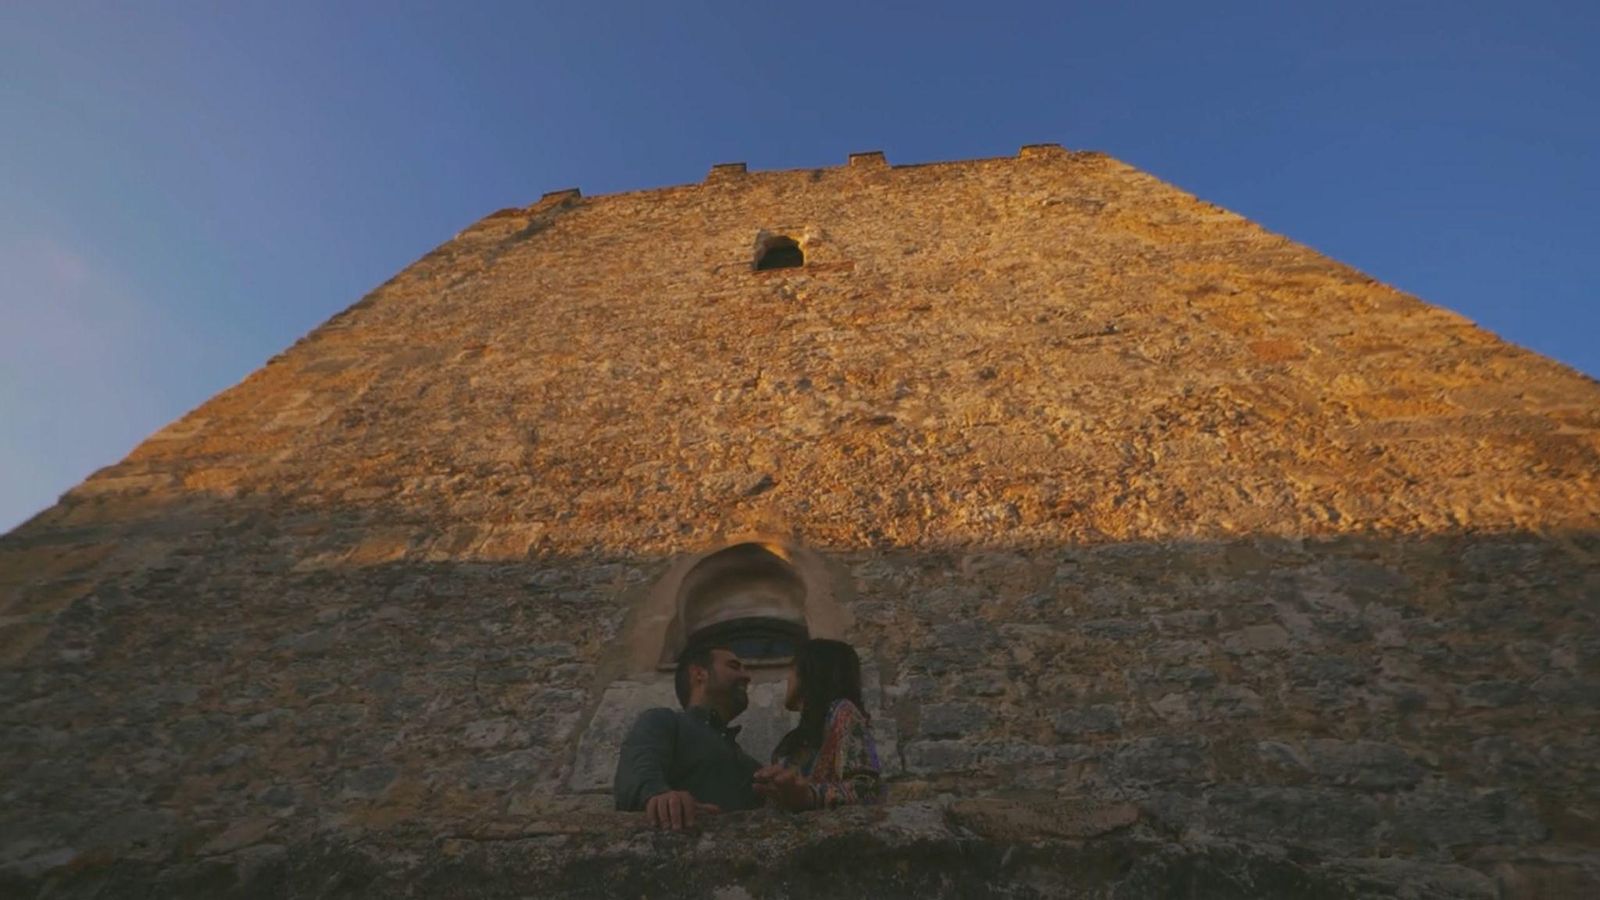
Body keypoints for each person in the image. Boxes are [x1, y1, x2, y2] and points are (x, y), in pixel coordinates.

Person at [613, 643, 762, 830]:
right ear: (699, 674)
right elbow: (639, 768)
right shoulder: (664, 721)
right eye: (733, 666)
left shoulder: (749, 764)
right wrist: (660, 797)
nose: (747, 677)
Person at [754, 638, 885, 810]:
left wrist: (809, 796)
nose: (788, 678)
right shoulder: (793, 743)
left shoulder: (843, 712)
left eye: (792, 669)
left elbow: (867, 790)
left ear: (809, 672)